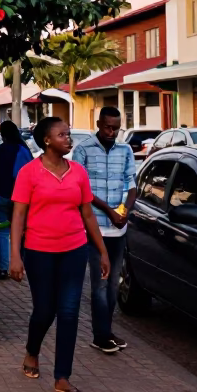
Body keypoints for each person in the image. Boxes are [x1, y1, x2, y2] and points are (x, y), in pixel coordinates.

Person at [9, 117, 110, 392]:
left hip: (74, 251)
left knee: (68, 313)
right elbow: (18, 216)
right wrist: (15, 255)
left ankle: (62, 377)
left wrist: (102, 251)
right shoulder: (29, 173)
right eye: (62, 134)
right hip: (39, 252)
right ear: (47, 141)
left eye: (68, 133)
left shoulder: (78, 172)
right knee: (45, 311)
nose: (69, 138)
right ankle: (32, 351)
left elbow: (88, 214)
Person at [72, 106, 138, 353]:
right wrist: (109, 211)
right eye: (107, 127)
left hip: (118, 229)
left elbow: (131, 184)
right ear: (99, 124)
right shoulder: (83, 149)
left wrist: (124, 211)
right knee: (99, 283)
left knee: (113, 285)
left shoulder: (125, 150)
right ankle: (100, 336)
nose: (111, 132)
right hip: (95, 227)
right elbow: (81, 190)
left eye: (116, 128)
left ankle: (107, 332)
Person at [0, 119, 32, 280]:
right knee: (20, 232)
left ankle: (4, 268)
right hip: (18, 198)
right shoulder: (22, 151)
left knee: (2, 233)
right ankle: (21, 264)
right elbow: (25, 177)